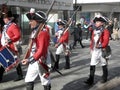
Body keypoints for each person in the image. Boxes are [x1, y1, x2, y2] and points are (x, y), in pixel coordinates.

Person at [21, 9, 51, 90]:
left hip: (41, 60)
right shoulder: (34, 31)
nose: (29, 22)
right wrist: (28, 57)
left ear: (37, 21)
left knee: (45, 81)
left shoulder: (43, 32)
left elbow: (41, 50)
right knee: (28, 80)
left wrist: (29, 59)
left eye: (31, 21)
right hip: (34, 59)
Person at [84, 14, 110, 85]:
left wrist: (101, 45)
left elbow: (106, 41)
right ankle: (91, 79)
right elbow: (92, 40)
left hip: (102, 50)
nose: (96, 23)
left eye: (98, 22)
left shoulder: (105, 31)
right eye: (96, 22)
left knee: (103, 64)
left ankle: (105, 77)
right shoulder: (94, 30)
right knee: (92, 64)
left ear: (102, 23)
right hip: (95, 50)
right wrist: (91, 48)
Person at [0, 10, 23, 82]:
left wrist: (10, 40)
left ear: (9, 18)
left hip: (12, 46)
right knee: (6, 61)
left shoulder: (13, 26)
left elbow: (18, 35)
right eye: (3, 18)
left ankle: (20, 75)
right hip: (6, 46)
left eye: (5, 18)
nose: (4, 19)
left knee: (13, 61)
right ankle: (20, 74)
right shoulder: (6, 26)